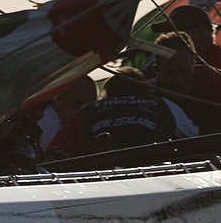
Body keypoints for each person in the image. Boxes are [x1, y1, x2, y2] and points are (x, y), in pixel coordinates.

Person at [49, 67, 196, 158]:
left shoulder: (89, 110)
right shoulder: (162, 104)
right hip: (153, 171)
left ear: (108, 94)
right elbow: (194, 137)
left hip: (101, 177)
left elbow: (56, 151)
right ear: (146, 91)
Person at [149, 31, 221, 133]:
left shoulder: (218, 83)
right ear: (156, 70)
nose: (179, 80)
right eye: (169, 73)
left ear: (194, 64)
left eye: (185, 72)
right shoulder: (146, 96)